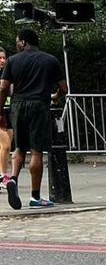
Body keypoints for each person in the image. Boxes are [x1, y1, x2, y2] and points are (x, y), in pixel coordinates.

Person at [0, 28, 68, 210]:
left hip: (18, 106)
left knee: (19, 147)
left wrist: (0, 110)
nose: (17, 44)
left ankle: (13, 179)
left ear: (23, 42)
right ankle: (35, 197)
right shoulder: (50, 60)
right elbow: (64, 88)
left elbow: (3, 87)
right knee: (37, 151)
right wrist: (56, 97)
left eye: (17, 41)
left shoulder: (13, 60)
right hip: (39, 105)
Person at [0, 47, 12, 192]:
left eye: (4, 58)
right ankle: (2, 176)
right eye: (0, 58)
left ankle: (3, 173)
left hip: (8, 113)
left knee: (6, 148)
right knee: (6, 145)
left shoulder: (8, 73)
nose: (2, 60)